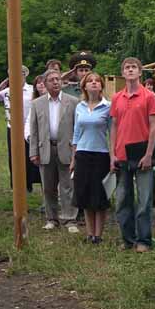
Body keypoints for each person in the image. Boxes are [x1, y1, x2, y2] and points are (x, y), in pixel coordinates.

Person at [109, 57, 155, 252]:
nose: (130, 70)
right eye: (127, 67)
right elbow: (113, 127)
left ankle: (144, 240)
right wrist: (112, 154)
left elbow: (154, 126)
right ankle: (128, 239)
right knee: (123, 199)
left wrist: (149, 155)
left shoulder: (149, 97)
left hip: (142, 153)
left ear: (140, 72)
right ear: (122, 73)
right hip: (122, 154)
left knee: (144, 199)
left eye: (134, 67)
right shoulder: (116, 98)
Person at [29, 69, 79, 232]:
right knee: (48, 187)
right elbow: (34, 129)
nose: (56, 82)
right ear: (45, 84)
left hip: (67, 148)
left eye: (58, 79)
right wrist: (33, 151)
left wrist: (76, 151)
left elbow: (77, 128)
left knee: (68, 186)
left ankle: (69, 219)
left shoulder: (73, 102)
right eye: (52, 80)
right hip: (45, 148)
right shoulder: (37, 103)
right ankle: (51, 218)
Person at [70, 72, 111, 244]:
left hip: (100, 154)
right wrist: (73, 158)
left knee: (99, 195)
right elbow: (76, 133)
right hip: (82, 154)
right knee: (85, 195)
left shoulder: (108, 106)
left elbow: (113, 133)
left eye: (97, 81)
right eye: (90, 81)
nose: (94, 83)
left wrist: (113, 157)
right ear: (84, 86)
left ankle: (98, 235)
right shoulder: (80, 107)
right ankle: (89, 233)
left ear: (101, 86)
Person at [0, 65, 36, 191]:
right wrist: (0, 87)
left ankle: (28, 184)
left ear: (24, 76)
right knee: (13, 157)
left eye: (20, 75)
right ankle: (15, 185)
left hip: (28, 127)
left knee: (28, 156)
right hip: (12, 128)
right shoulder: (7, 91)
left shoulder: (31, 89)